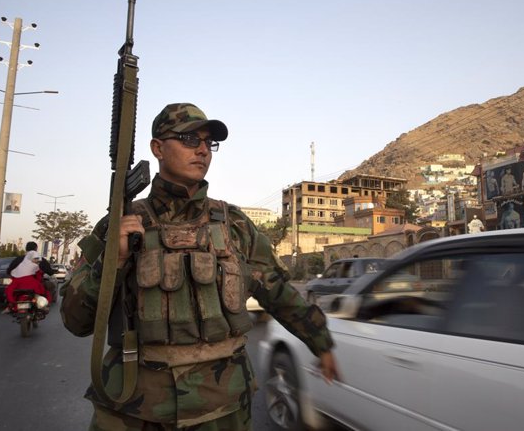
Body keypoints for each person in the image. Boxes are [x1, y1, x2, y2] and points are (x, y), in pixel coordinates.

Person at [61, 103, 340, 430]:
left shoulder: (235, 225)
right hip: (132, 409)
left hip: (222, 409)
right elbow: (75, 320)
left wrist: (320, 341)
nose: (203, 150)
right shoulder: (120, 224)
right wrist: (115, 261)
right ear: (157, 148)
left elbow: (277, 292)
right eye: (189, 139)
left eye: (209, 143)